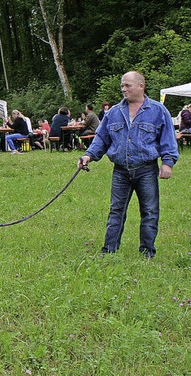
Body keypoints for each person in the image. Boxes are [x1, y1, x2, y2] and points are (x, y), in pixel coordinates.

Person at [78, 71, 178, 259]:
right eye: (122, 86)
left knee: (149, 211)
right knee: (116, 210)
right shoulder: (114, 112)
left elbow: (168, 139)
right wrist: (88, 156)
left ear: (141, 86)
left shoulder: (158, 111)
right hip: (121, 171)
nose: (123, 89)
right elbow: (101, 138)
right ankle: (109, 251)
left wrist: (167, 163)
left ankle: (147, 252)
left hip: (147, 169)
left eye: (127, 85)